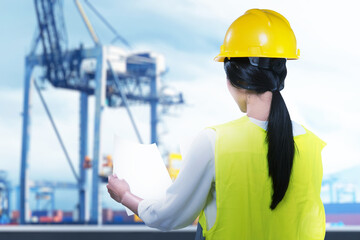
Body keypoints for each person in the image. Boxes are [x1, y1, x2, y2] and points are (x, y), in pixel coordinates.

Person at [107, 8, 326, 240]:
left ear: (233, 79)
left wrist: (125, 196)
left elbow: (168, 216)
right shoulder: (312, 145)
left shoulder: (215, 142)